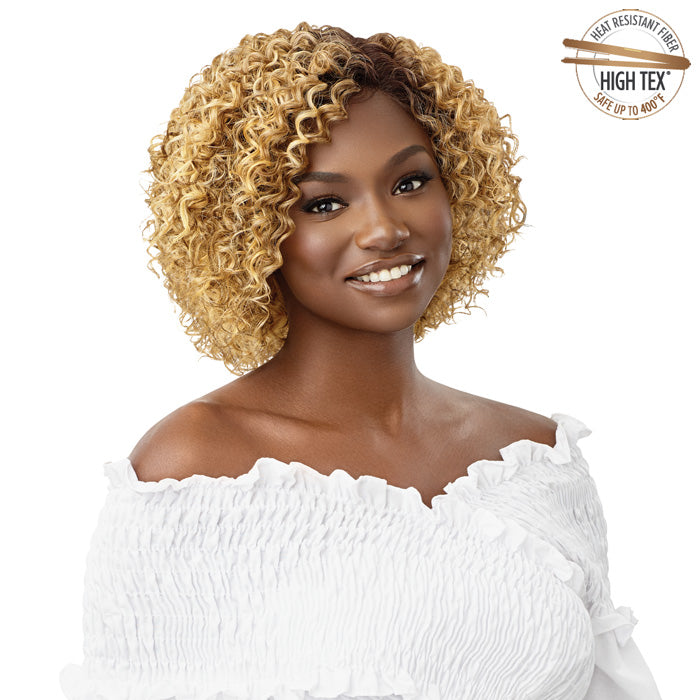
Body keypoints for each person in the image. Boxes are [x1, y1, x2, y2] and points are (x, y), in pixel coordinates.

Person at [59, 22, 662, 700]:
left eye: (410, 181)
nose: (383, 229)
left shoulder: (538, 462)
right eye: (325, 203)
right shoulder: (194, 469)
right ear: (251, 231)